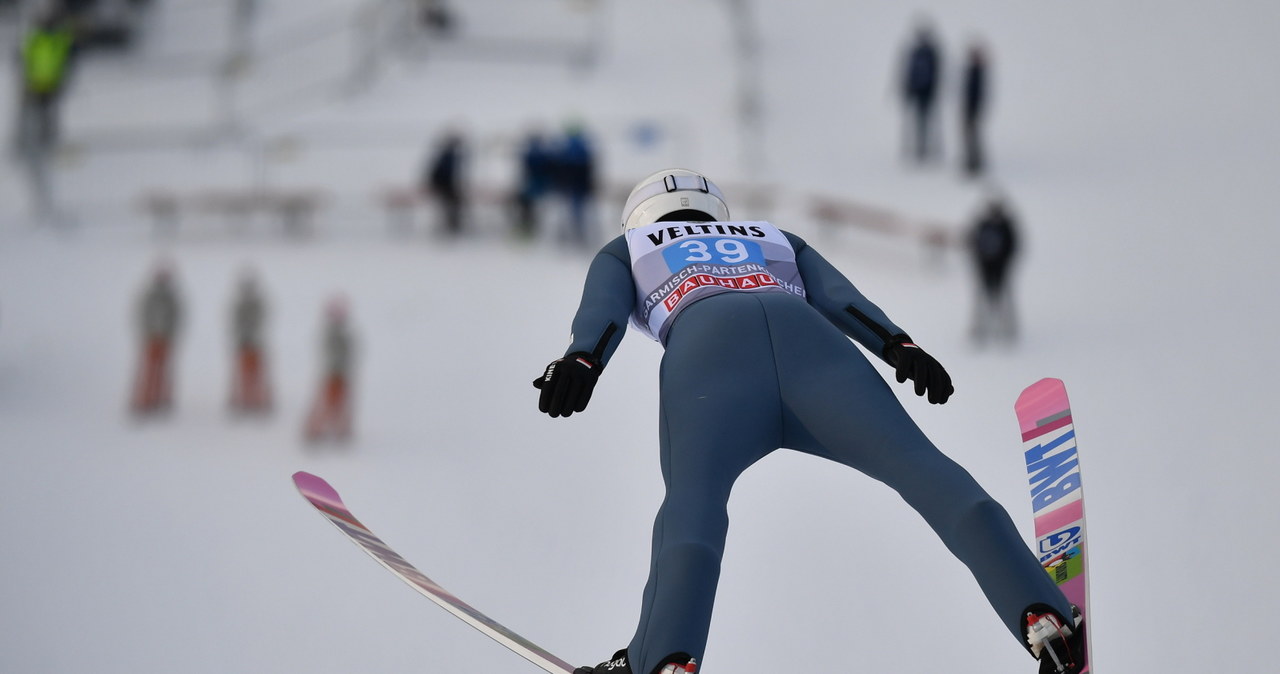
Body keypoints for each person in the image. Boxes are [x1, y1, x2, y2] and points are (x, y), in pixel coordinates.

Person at [534, 169, 1084, 674]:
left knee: (693, 507)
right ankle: (1040, 612)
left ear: (640, 218)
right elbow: (838, 296)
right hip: (814, 350)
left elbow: (603, 309)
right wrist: (898, 345)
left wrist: (583, 359)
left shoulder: (626, 246)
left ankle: (663, 657)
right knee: (921, 469)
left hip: (708, 351)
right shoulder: (769, 235)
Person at [131, 260, 183, 416]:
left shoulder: (171, 298)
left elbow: (177, 316)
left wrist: (171, 334)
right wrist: (147, 333)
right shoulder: (150, 295)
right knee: (149, 370)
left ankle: (161, 399)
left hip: (165, 339)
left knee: (163, 370)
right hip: (152, 338)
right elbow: (143, 314)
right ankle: (145, 399)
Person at [967, 196, 1020, 345]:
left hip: (1000, 268)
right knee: (983, 298)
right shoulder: (983, 225)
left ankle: (1006, 328)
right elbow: (974, 244)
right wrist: (981, 261)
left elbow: (1012, 246)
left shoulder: (1006, 226)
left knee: (1002, 298)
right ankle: (981, 329)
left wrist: (1004, 262)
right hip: (985, 268)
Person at [304, 296, 356, 442]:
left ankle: (339, 430)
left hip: (340, 376)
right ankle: (317, 429)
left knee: (340, 404)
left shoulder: (344, 336)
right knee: (324, 403)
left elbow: (349, 355)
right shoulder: (330, 336)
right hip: (331, 375)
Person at [899, 20, 943, 163]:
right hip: (917, 92)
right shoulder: (917, 51)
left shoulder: (930, 52)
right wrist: (907, 90)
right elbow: (909, 72)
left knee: (926, 121)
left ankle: (926, 149)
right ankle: (920, 148)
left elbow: (936, 73)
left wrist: (934, 91)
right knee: (918, 121)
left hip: (926, 93)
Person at [229, 269, 271, 413]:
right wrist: (241, 337)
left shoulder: (258, 304)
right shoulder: (240, 305)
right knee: (242, 375)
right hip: (243, 344)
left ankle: (258, 400)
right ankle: (243, 400)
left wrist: (253, 336)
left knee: (257, 374)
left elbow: (261, 321)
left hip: (255, 344)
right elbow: (235, 322)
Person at [422, 131, 466, 236]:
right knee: (453, 204)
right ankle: (452, 225)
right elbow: (443, 172)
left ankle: (453, 224)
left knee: (454, 204)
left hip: (444, 184)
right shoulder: (448, 155)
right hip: (443, 184)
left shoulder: (449, 154)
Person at [960, 40, 991, 176]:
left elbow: (978, 93)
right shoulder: (972, 70)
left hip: (974, 108)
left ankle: (975, 163)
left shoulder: (978, 71)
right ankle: (971, 161)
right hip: (968, 107)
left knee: (973, 136)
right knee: (969, 135)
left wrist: (975, 108)